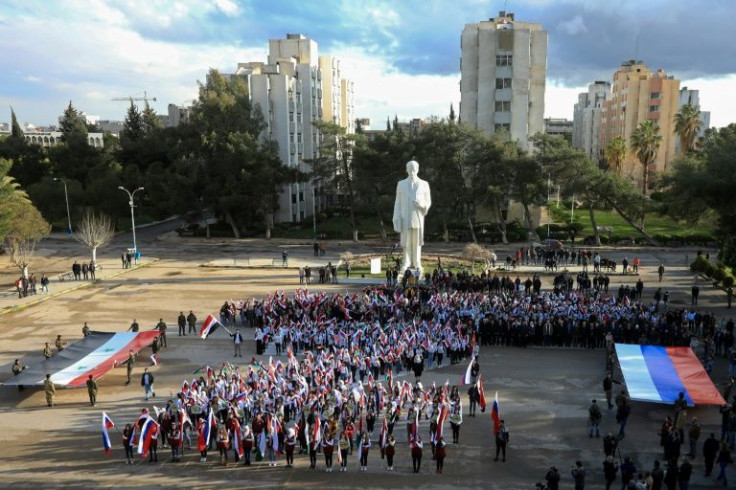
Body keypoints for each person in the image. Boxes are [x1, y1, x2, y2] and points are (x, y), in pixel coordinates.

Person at [392, 160, 432, 272]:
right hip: (405, 218)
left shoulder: (424, 184)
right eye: (410, 169)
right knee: (406, 242)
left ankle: (417, 262)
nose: (412, 171)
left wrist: (422, 205)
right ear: (406, 170)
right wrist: (396, 217)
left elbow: (428, 201)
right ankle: (407, 262)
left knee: (417, 242)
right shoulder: (401, 184)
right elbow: (398, 202)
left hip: (418, 217)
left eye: (414, 169)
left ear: (418, 170)